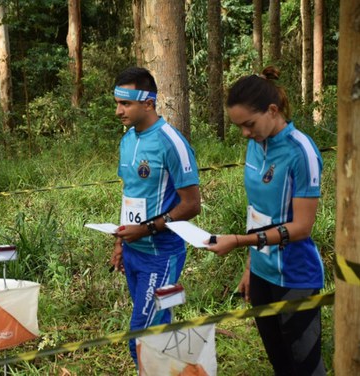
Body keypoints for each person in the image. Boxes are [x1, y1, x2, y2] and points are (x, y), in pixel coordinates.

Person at [205, 66, 326, 375]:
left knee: (305, 367)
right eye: (239, 127)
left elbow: (302, 227)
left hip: (296, 277)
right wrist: (250, 265)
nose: (245, 133)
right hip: (262, 272)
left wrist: (238, 242)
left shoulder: (301, 151)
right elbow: (256, 211)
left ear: (273, 111)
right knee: (280, 362)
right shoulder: (254, 146)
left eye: (249, 124)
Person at [110, 67, 201, 366]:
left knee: (141, 338)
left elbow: (191, 205)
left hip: (162, 255)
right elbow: (130, 195)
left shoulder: (171, 142)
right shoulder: (127, 141)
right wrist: (120, 243)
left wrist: (147, 229)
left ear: (148, 103)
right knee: (157, 334)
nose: (118, 111)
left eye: (125, 104)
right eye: (117, 103)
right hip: (134, 252)